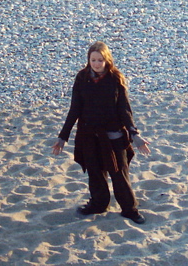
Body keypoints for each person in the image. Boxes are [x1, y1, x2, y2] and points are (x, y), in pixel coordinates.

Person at [52, 41, 151, 223]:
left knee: (119, 173)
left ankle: (129, 209)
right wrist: (62, 137)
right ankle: (98, 204)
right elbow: (75, 109)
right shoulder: (82, 78)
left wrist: (134, 134)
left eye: (100, 60)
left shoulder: (115, 79)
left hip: (113, 135)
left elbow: (124, 110)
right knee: (95, 173)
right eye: (93, 60)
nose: (96, 64)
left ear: (107, 60)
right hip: (88, 134)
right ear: (88, 60)